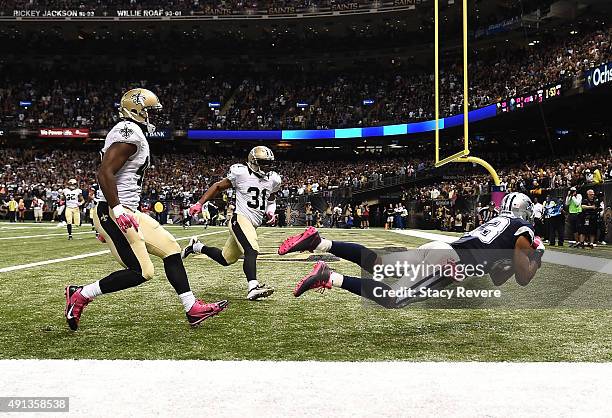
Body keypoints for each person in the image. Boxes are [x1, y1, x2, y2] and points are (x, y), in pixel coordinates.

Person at [64, 88, 228, 331]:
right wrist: (116, 211)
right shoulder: (128, 133)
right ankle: (81, 294)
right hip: (114, 210)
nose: (154, 116)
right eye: (150, 111)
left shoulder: (134, 132)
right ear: (137, 110)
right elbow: (104, 173)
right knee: (142, 271)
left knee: (172, 249)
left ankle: (191, 307)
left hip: (127, 210)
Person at [278, 192, 544, 308]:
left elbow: (499, 277)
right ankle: (330, 277)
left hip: (442, 250)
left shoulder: (497, 223)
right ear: (524, 212)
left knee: (379, 263)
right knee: (393, 298)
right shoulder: (522, 230)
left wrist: (512, 262)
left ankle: (321, 243)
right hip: (452, 263)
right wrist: (538, 255)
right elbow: (524, 277)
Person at [183, 146, 279, 301]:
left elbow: (272, 198)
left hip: (252, 223)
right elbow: (218, 186)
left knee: (225, 258)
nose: (267, 166)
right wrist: (199, 204)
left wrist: (271, 210)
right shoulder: (241, 173)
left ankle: (195, 246)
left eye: (269, 163)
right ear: (253, 162)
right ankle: (253, 287)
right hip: (240, 218)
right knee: (251, 250)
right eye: (263, 162)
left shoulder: (273, 179)